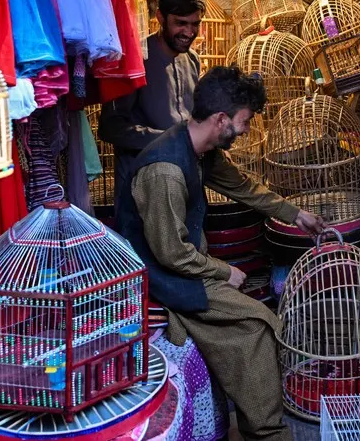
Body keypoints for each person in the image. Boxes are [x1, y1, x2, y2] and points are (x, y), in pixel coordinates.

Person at [116, 66, 325, 441]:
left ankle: (259, 423)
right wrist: (222, 271)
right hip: (165, 277)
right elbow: (171, 254)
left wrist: (296, 215)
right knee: (259, 324)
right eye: (244, 121)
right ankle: (266, 432)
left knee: (260, 318)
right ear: (221, 119)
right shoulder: (165, 171)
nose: (246, 130)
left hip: (187, 266)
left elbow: (244, 187)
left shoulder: (200, 150)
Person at [99, 0, 206, 216]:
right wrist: (172, 140)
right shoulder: (134, 60)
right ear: (160, 17)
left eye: (195, 24)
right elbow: (110, 128)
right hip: (141, 189)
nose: (189, 33)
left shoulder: (193, 60)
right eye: (181, 23)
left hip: (184, 182)